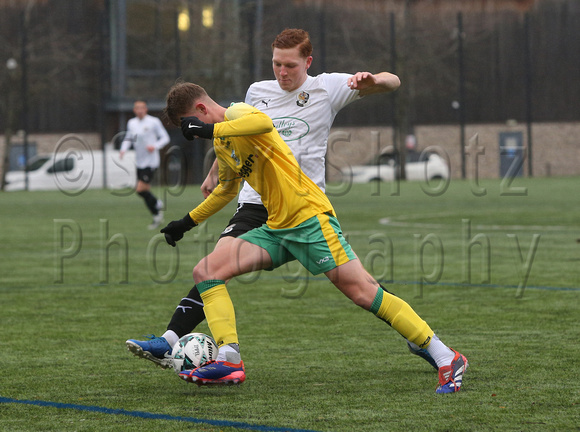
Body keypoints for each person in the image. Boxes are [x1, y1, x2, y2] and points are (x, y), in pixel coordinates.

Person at [126, 28, 437, 370]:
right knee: (213, 266)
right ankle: (176, 342)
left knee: (358, 285)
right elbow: (237, 132)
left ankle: (420, 338)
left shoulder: (328, 87)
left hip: (303, 203)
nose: (282, 72)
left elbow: (393, 82)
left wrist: (374, 78)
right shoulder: (257, 92)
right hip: (255, 203)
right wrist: (216, 167)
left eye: (290, 65)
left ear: (308, 62)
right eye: (276, 64)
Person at [156, 81, 468, 393]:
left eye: (189, 124)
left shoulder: (238, 113)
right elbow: (225, 189)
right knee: (206, 271)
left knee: (363, 292)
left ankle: (445, 356)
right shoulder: (225, 143)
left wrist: (207, 130)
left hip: (308, 219)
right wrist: (186, 222)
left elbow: (263, 122)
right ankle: (229, 358)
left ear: (200, 110)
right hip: (277, 228)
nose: (192, 132)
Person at [120, 99, 170, 229]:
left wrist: (155, 146)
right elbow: (129, 138)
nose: (140, 110)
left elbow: (165, 138)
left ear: (146, 109)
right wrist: (123, 149)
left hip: (151, 161)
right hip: (140, 161)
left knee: (140, 189)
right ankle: (156, 215)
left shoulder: (153, 122)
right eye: (138, 108)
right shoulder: (132, 123)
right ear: (134, 110)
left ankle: (157, 205)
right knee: (143, 191)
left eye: (142, 108)